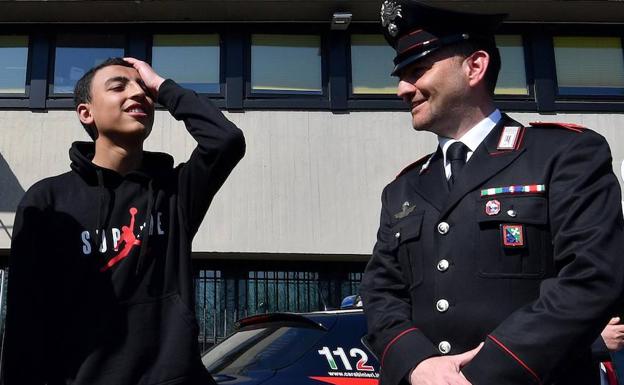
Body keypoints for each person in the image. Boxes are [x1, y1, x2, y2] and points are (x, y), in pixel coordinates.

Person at [359, 2, 624, 385]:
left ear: (475, 67)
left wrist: (483, 372)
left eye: (417, 70)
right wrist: (418, 364)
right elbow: (381, 292)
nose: (402, 89)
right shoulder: (403, 188)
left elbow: (592, 276)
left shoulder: (564, 155)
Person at [2, 57, 245, 385]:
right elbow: (24, 323)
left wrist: (162, 87)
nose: (138, 94)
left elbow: (225, 140)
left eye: (144, 89)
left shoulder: (174, 194)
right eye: (119, 86)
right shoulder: (48, 201)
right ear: (86, 113)